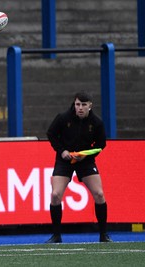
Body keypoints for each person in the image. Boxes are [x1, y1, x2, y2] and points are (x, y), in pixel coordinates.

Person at [46, 91, 112, 243]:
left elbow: (101, 144)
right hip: (65, 160)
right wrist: (62, 151)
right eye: (77, 104)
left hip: (85, 161)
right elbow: (51, 134)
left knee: (99, 194)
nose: (80, 108)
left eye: (83, 105)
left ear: (90, 105)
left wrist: (86, 156)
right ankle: (56, 236)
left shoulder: (96, 123)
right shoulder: (63, 118)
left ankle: (103, 235)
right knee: (55, 195)